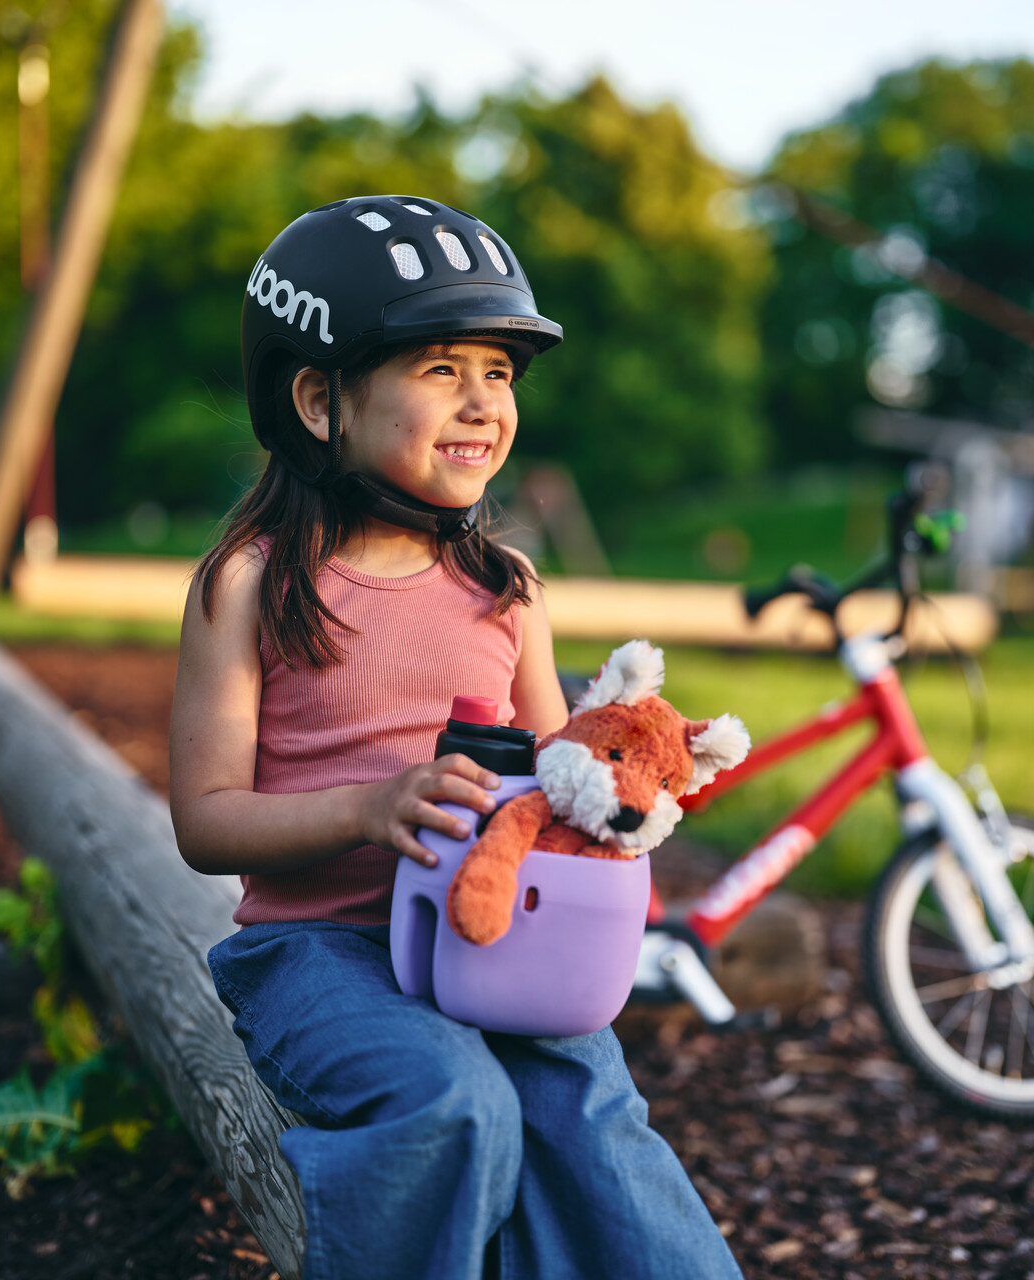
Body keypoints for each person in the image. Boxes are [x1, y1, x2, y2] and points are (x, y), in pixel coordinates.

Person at [169, 195, 743, 1280]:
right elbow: (204, 820)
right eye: (441, 368)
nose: (483, 401)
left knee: (589, 1104)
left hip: (490, 936)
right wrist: (367, 807)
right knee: (453, 1098)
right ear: (316, 397)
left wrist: (620, 796)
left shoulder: (505, 586)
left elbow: (554, 774)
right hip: (315, 953)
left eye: (500, 372)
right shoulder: (250, 583)